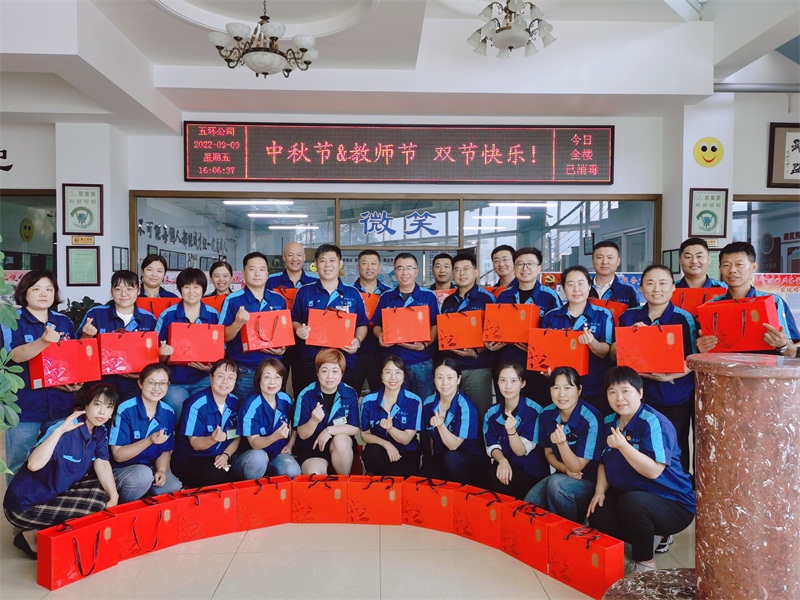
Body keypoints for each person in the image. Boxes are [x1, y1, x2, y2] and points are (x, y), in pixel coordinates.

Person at [587, 367, 695, 574]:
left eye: (625, 391)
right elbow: (603, 461)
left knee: (632, 503)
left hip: (673, 502)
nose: (619, 398)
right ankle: (649, 535)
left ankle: (645, 562)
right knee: (598, 514)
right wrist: (599, 491)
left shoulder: (654, 422)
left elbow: (654, 471)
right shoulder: (609, 421)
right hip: (636, 495)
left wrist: (623, 446)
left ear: (640, 392)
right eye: (612, 392)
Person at [3, 384, 120, 560]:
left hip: (54, 493)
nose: (102, 412)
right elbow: (33, 465)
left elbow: (102, 463)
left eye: (109, 407)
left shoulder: (100, 431)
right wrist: (58, 432)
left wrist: (114, 496)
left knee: (101, 490)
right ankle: (30, 537)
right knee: (93, 507)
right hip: (23, 505)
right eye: (97, 404)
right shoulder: (66, 428)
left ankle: (44, 535)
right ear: (86, 405)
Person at [612, 264, 698, 476]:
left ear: (673, 287)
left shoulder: (683, 318)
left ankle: (677, 487)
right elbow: (615, 354)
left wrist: (668, 377)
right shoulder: (629, 317)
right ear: (641, 288)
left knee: (674, 445)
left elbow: (693, 359)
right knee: (641, 444)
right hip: (640, 395)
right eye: (650, 283)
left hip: (674, 395)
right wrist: (632, 337)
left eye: (663, 283)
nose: (656, 289)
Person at [1, 270, 83, 478]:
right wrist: (43, 342)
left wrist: (76, 382)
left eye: (49, 289)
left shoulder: (64, 322)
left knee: (60, 459)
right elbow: (14, 355)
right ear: (24, 292)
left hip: (60, 404)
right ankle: (16, 499)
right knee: (19, 462)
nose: (44, 294)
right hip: (24, 406)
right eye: (36, 289)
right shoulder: (12, 320)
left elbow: (71, 358)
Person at [524, 367, 602, 522]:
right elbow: (548, 453)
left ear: (579, 390)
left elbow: (577, 468)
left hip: (588, 481)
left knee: (557, 485)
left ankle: (569, 530)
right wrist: (565, 469)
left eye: (567, 388)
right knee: (528, 504)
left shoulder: (591, 418)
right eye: (556, 388)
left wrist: (562, 444)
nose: (561, 394)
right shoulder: (546, 414)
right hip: (562, 474)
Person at [696, 241, 799, 357]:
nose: (732, 270)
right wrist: (702, 346)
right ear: (720, 269)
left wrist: (783, 345)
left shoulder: (773, 302)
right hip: (723, 368)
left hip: (765, 368)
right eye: (726, 265)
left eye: (739, 264)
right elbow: (703, 351)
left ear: (754, 267)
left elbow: (792, 352)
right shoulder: (711, 306)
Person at [291, 244, 369, 391]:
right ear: (316, 265)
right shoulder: (304, 292)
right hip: (312, 362)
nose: (327, 265)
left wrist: (357, 341)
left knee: (344, 402)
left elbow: (362, 324)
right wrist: (299, 329)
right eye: (322, 261)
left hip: (345, 361)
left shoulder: (353, 293)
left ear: (340, 264)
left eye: (332, 260)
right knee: (311, 402)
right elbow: (294, 319)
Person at [491, 247, 562, 407]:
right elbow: (494, 327)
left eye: (530, 264)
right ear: (514, 267)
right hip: (508, 362)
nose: (525, 268)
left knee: (537, 407)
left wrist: (535, 346)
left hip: (537, 366)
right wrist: (491, 342)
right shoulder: (504, 296)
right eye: (520, 264)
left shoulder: (549, 296)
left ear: (539, 268)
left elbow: (557, 334)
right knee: (508, 407)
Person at [172, 359, 258, 487]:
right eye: (220, 376)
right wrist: (212, 439)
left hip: (220, 458)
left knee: (236, 480)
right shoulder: (196, 404)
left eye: (230, 378)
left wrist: (225, 455)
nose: (225, 381)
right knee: (217, 474)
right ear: (211, 377)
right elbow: (195, 443)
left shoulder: (235, 402)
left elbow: (236, 437)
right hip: (191, 458)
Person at [541, 265, 614, 415]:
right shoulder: (551, 316)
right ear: (563, 288)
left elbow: (605, 352)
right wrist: (546, 368)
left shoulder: (603, 315)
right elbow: (543, 351)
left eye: (581, 284)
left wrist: (593, 343)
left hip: (593, 386)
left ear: (589, 286)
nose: (576, 289)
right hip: (561, 389)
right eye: (570, 284)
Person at [79, 269, 162, 398]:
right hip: (101, 382)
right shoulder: (95, 314)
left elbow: (155, 353)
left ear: (138, 290)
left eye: (129, 289)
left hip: (136, 383)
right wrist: (87, 336)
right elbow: (79, 350)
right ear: (111, 291)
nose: (124, 294)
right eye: (118, 289)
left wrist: (144, 374)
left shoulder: (148, 318)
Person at [219, 252, 289, 400]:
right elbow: (222, 337)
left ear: (267, 274)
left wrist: (282, 349)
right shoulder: (233, 300)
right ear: (244, 273)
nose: (257, 274)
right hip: (245, 370)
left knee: (271, 409)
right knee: (243, 409)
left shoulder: (278, 299)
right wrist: (238, 323)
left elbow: (285, 334)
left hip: (273, 371)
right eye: (252, 269)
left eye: (262, 269)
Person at [109, 364, 182, 503]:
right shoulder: (125, 409)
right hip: (122, 469)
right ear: (140, 383)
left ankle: (146, 499)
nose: (157, 388)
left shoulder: (168, 412)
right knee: (143, 476)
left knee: (173, 486)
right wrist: (149, 440)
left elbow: (165, 449)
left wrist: (161, 470)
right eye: (151, 382)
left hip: (151, 467)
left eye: (162, 383)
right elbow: (118, 455)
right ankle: (124, 507)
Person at [372, 253, 440, 400]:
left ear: (416, 271)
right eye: (400, 268)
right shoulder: (386, 297)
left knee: (424, 403)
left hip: (421, 362)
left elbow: (436, 325)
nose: (404, 273)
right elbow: (376, 324)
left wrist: (425, 344)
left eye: (409, 268)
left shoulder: (428, 296)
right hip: (393, 363)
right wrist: (380, 336)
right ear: (394, 272)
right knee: (396, 403)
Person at [156, 268, 221, 418]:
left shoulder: (213, 315)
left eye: (196, 287)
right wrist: (163, 354)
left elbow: (221, 350)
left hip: (204, 379)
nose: (191, 291)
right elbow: (156, 355)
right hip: (175, 381)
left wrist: (211, 368)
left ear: (203, 289)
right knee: (180, 413)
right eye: (186, 287)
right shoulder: (168, 315)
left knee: (204, 415)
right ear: (180, 289)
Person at [440, 253, 496, 422]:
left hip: (477, 367)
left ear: (476, 272)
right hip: (452, 368)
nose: (461, 273)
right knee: (455, 414)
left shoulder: (487, 299)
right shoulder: (448, 301)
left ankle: (480, 441)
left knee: (479, 413)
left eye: (466, 269)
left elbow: (495, 335)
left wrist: (476, 351)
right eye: (457, 270)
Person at [479, 363, 547, 500]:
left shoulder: (534, 411)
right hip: (504, 467)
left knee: (494, 479)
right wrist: (502, 460)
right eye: (503, 380)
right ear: (497, 382)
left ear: (523, 383)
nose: (508, 386)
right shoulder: (491, 413)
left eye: (513, 381)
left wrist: (511, 432)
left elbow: (520, 451)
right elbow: (491, 445)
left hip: (529, 472)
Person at [293, 349, 360, 475]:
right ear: (317, 373)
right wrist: (313, 421)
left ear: (342, 373)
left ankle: (343, 481)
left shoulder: (350, 393)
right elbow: (302, 434)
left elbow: (355, 428)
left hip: (340, 445)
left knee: (341, 440)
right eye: (324, 371)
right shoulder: (306, 394)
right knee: (314, 475)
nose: (330, 376)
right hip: (313, 446)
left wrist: (329, 431)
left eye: (335, 371)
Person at [419, 358, 485, 484]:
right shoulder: (428, 403)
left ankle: (463, 490)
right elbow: (430, 436)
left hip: (469, 457)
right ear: (434, 379)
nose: (445, 383)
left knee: (452, 458)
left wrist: (440, 425)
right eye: (440, 378)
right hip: (442, 455)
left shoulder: (466, 406)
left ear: (458, 379)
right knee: (423, 479)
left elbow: (453, 445)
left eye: (450, 378)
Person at [266, 242, 318, 397]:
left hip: (304, 341)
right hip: (277, 340)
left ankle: (299, 411)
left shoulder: (314, 282)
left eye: (299, 255)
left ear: (304, 257)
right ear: (284, 257)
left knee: (301, 383)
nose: (295, 259)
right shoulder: (271, 281)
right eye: (290, 255)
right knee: (276, 381)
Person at [360, 355, 423, 477]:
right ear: (381, 375)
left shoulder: (414, 401)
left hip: (407, 452)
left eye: (398, 372)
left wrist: (390, 428)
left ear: (404, 375)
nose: (393, 377)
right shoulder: (368, 400)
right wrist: (386, 444)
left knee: (393, 476)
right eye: (388, 372)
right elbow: (365, 434)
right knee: (371, 453)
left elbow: (406, 439)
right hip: (381, 450)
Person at [239, 358, 302, 478]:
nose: (272, 382)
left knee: (293, 470)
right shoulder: (251, 404)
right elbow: (254, 443)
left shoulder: (285, 399)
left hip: (277, 455)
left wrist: (290, 444)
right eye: (267, 377)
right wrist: (275, 436)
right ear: (259, 379)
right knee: (258, 458)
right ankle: (254, 489)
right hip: (252, 458)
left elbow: (296, 423)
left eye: (277, 377)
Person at [351, 249, 392, 395]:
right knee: (351, 393)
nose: (369, 267)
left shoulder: (389, 293)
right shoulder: (349, 292)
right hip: (354, 352)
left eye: (373, 263)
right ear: (358, 267)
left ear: (379, 267)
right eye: (365, 263)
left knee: (381, 394)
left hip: (381, 352)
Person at [589, 241, 639, 308]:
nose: (604, 262)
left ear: (618, 261)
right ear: (592, 260)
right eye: (599, 257)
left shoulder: (628, 290)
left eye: (610, 257)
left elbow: (636, 313)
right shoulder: (583, 288)